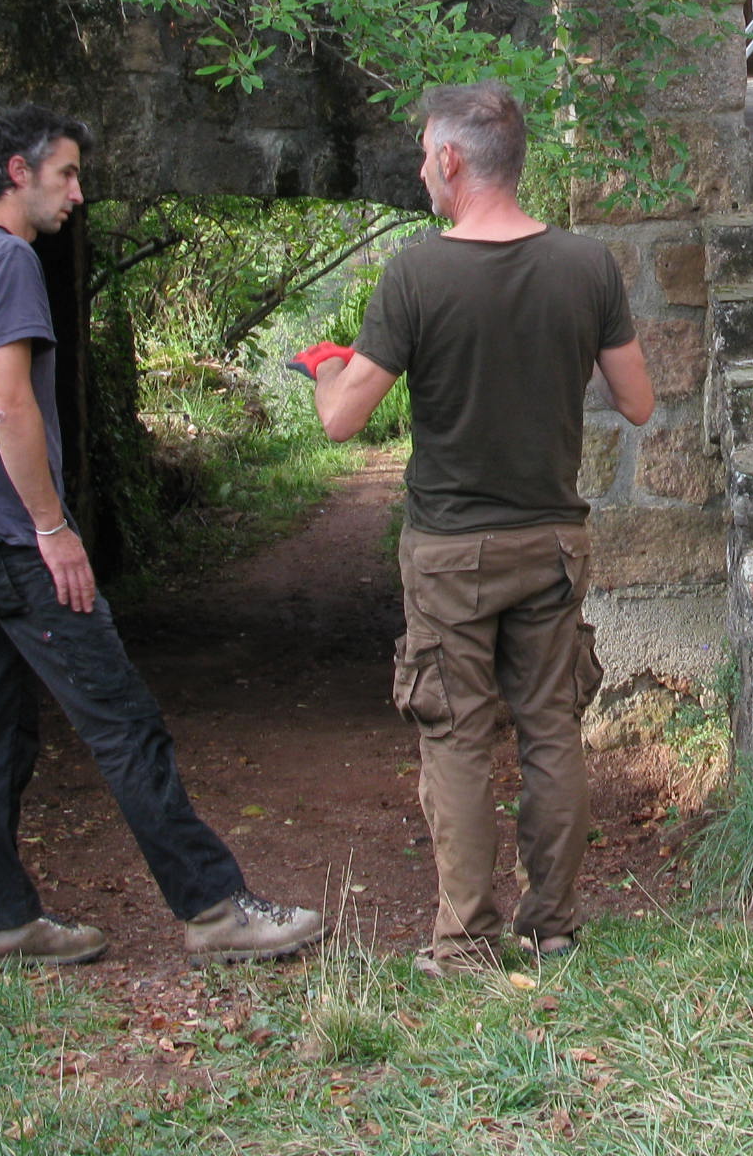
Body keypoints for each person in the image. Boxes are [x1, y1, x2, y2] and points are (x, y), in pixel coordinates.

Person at [0, 103, 323, 967]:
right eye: (66, 174)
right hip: (15, 541)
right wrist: (53, 527)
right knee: (125, 723)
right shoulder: (10, 262)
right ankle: (213, 909)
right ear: (18, 172)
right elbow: (7, 401)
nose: (78, 194)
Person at [300, 81, 654, 974]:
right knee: (551, 730)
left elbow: (344, 421)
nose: (422, 166)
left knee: (457, 735)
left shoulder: (416, 274)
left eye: (425, 152)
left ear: (452, 160)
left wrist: (322, 371)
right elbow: (640, 404)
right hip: (551, 544)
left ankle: (464, 941)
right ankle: (555, 927)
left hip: (451, 551)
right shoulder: (588, 267)